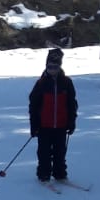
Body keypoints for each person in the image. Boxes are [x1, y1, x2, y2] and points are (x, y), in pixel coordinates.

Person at [29, 47, 78, 184]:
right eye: (49, 67)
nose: (52, 70)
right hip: (44, 125)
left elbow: (72, 104)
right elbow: (33, 105)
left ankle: (60, 174)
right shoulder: (41, 83)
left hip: (61, 125)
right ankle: (44, 174)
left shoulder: (67, 83)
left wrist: (72, 121)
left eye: (55, 67)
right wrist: (34, 125)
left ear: (60, 67)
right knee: (44, 152)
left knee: (60, 151)